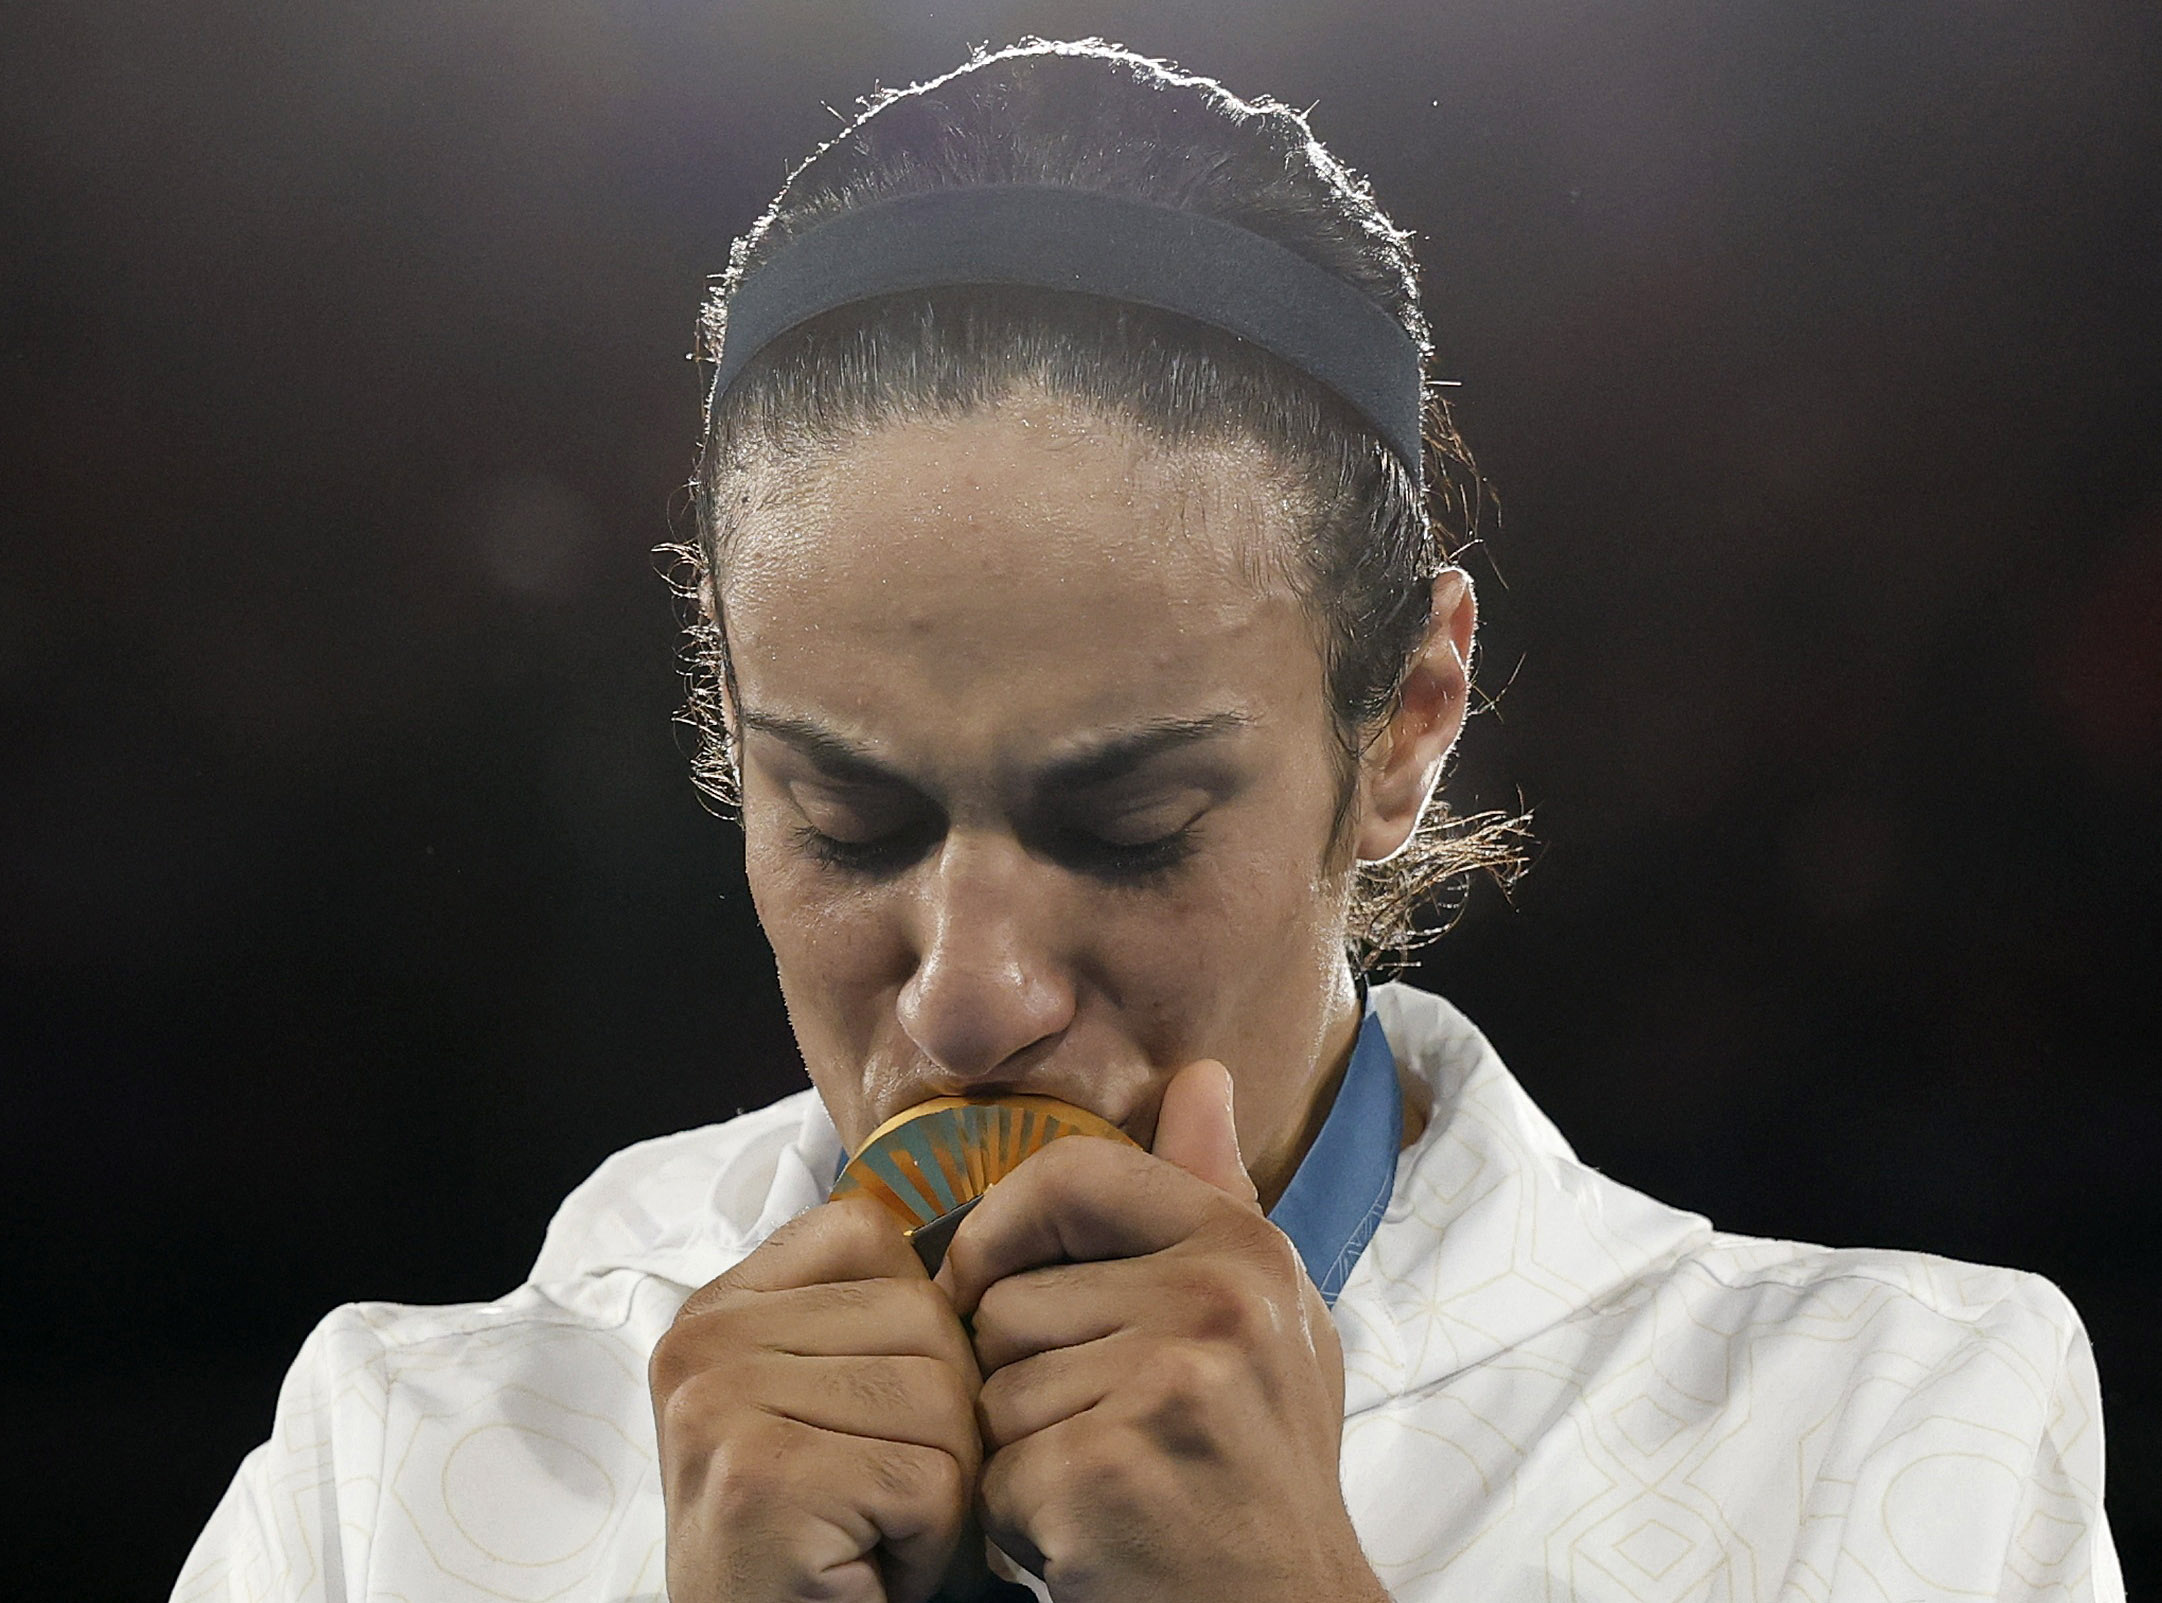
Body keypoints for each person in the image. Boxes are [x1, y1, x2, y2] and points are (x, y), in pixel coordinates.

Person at [176, 38, 2120, 1603]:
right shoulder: (397, 1467)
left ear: (1406, 719)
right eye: (842, 816)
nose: (965, 997)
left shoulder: (1887, 1430)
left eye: (1122, 822)